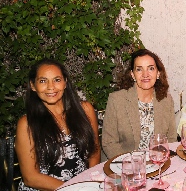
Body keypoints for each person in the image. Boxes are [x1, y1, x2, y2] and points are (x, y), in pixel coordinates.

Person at [15, 59, 100, 190]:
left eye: (57, 80)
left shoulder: (85, 110)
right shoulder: (27, 124)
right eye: (43, 81)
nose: (51, 87)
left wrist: (92, 182)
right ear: (33, 85)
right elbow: (30, 178)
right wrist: (74, 188)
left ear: (65, 82)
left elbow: (94, 151)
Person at [102, 49, 176, 160]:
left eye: (151, 68)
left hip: (157, 163)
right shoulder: (117, 100)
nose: (145, 74)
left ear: (158, 73)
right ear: (132, 74)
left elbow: (171, 139)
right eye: (139, 69)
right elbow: (109, 142)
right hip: (125, 165)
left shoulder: (166, 101)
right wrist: (134, 163)